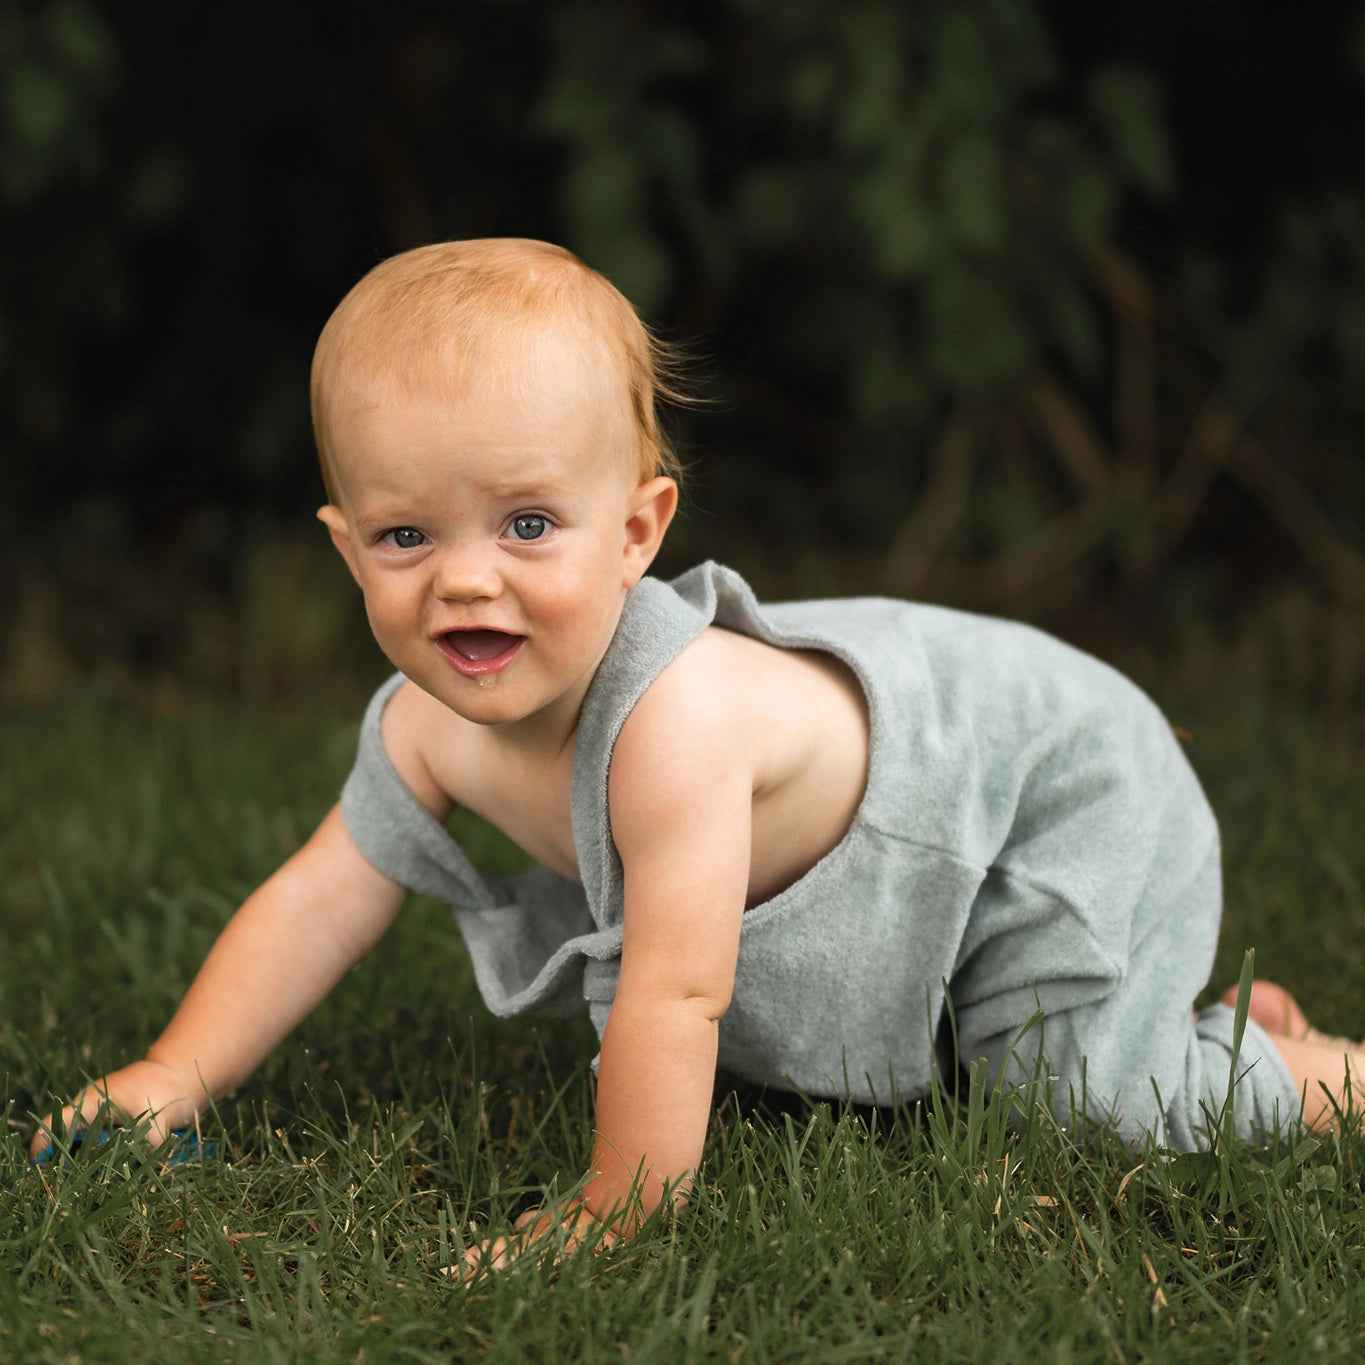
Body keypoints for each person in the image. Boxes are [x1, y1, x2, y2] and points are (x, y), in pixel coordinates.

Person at [32, 238, 1361, 1272]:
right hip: (933, 797)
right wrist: (172, 1070)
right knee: (984, 1065)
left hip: (1043, 790)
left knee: (1083, 1110)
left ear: (636, 529)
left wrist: (618, 1208)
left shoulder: (673, 726)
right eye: (405, 538)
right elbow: (318, 895)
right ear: (345, 548)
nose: (465, 582)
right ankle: (1189, 1015)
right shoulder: (420, 724)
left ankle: (1306, 1076)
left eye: (530, 522)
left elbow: (675, 996)